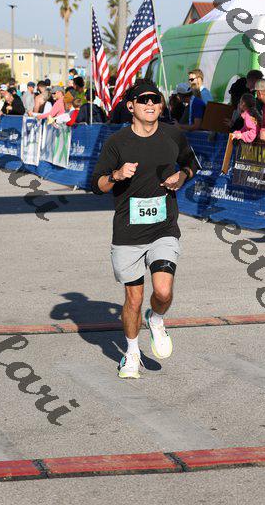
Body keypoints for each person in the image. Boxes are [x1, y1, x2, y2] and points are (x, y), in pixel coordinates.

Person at [91, 80, 199, 379]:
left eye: (155, 99)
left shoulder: (172, 135)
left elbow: (191, 164)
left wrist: (182, 176)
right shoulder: (117, 142)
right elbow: (97, 185)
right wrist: (116, 175)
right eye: (143, 100)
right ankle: (132, 353)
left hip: (164, 228)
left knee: (162, 292)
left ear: (161, 105)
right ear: (131, 106)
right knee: (134, 299)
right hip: (128, 233)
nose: (150, 104)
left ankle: (157, 318)